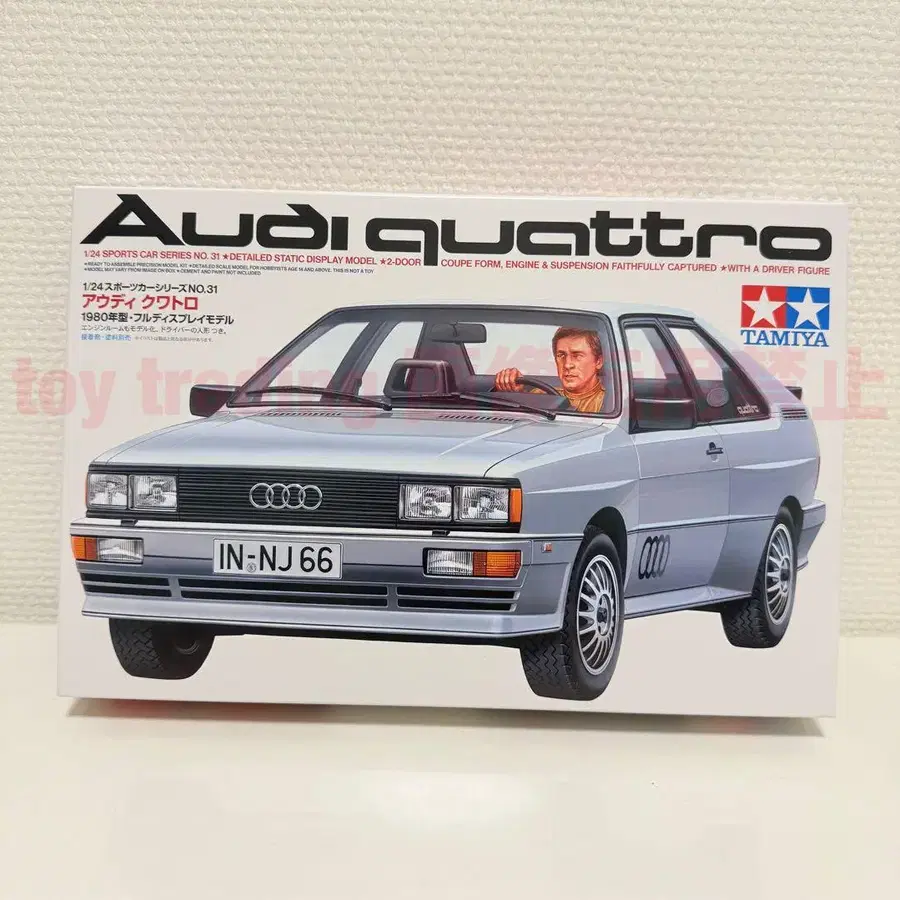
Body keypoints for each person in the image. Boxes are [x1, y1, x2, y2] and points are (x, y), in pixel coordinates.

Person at [494, 326, 606, 413]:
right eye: (561, 355)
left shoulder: (609, 403)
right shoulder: (540, 396)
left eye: (577, 356)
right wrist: (515, 392)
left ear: (598, 362)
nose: (567, 365)